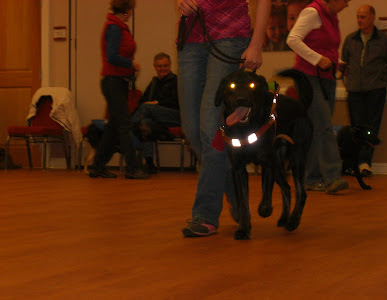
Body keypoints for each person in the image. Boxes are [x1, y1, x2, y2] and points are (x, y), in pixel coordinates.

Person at [177, 0, 271, 237]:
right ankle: (236, 194)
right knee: (192, 131)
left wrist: (256, 42)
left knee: (212, 131)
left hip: (230, 35)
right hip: (191, 37)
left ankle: (205, 214)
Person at [286, 0, 351, 193]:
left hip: (327, 77)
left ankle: (311, 178)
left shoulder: (332, 17)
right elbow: (293, 39)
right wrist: (317, 59)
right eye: (346, 1)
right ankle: (332, 177)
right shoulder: (312, 12)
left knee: (317, 127)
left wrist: (337, 62)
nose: (347, 4)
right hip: (308, 77)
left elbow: (325, 48)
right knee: (323, 125)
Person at [89, 0, 148, 179]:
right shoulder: (114, 28)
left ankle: (97, 165)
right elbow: (112, 56)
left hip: (117, 82)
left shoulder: (117, 26)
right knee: (124, 124)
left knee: (114, 126)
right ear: (127, 10)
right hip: (113, 82)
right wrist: (131, 63)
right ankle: (132, 168)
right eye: (131, 9)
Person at [341, 5, 387, 176]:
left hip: (376, 91)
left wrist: (381, 81)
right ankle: (354, 163)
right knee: (356, 128)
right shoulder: (351, 39)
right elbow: (344, 64)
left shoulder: (384, 40)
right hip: (355, 92)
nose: (359, 20)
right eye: (358, 16)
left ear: (372, 17)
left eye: (363, 17)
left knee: (371, 128)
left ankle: (365, 163)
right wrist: (348, 81)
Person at [131, 52, 180, 174]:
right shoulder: (153, 83)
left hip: (174, 115)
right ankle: (149, 163)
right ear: (155, 66)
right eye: (159, 66)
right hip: (154, 117)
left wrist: (156, 103)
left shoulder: (176, 81)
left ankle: (126, 129)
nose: (162, 68)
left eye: (165, 65)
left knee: (146, 109)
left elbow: (177, 102)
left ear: (170, 65)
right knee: (145, 123)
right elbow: (142, 102)